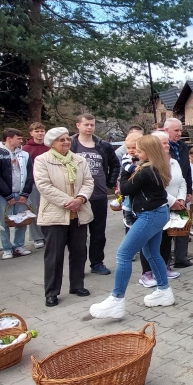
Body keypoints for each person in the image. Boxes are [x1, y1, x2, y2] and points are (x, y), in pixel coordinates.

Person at [90, 135, 175, 319]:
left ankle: (116, 300)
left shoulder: (146, 170)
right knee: (152, 253)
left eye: (140, 150)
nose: (136, 153)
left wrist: (124, 168)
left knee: (124, 254)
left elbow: (125, 188)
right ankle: (164, 290)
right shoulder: (155, 166)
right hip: (157, 212)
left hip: (150, 215)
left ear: (149, 152)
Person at [33, 127, 94, 307]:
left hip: (79, 213)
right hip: (55, 214)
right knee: (54, 256)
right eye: (61, 140)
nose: (66, 142)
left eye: (68, 139)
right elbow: (44, 186)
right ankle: (52, 292)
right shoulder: (42, 160)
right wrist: (69, 201)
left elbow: (88, 182)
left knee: (79, 252)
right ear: (52, 143)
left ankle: (77, 285)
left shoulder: (79, 160)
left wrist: (81, 198)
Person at [137, 131, 188, 287]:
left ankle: (165, 266)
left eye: (167, 142)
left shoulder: (174, 162)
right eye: (164, 143)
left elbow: (182, 181)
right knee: (150, 241)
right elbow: (158, 188)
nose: (168, 145)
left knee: (167, 238)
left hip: (174, 206)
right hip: (157, 207)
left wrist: (181, 198)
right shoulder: (150, 166)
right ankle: (147, 273)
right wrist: (172, 201)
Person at [71, 114, 119, 276]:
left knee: (98, 233)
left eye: (92, 125)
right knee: (78, 235)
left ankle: (97, 263)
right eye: (86, 124)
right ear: (78, 125)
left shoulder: (103, 145)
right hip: (78, 197)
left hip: (98, 195)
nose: (90, 127)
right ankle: (78, 266)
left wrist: (109, 183)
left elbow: (115, 164)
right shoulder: (71, 144)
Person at [0, 128, 35, 261]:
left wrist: (25, 193)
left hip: (22, 194)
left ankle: (19, 245)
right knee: (4, 222)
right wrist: (7, 195)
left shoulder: (25, 154)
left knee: (22, 220)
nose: (21, 141)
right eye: (18, 138)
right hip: (3, 196)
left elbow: (30, 174)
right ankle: (6, 248)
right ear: (9, 139)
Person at [162, 119, 193, 268]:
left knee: (182, 226)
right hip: (167, 196)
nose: (179, 133)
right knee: (167, 230)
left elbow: (187, 170)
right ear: (166, 130)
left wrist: (187, 192)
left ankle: (181, 257)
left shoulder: (183, 146)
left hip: (182, 191)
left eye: (180, 130)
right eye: (176, 130)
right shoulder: (162, 148)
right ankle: (166, 260)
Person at [22, 121, 49, 249]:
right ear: (31, 133)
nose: (40, 133)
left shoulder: (49, 146)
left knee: (48, 210)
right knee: (35, 209)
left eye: (42, 131)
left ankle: (48, 235)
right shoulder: (26, 149)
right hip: (33, 184)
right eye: (37, 131)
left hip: (49, 183)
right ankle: (37, 237)